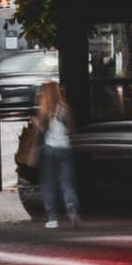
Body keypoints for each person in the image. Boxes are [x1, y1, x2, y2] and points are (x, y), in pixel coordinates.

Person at [33, 79, 79, 229]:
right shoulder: (65, 108)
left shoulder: (45, 110)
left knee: (49, 184)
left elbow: (42, 130)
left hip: (50, 148)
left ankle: (52, 218)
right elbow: (72, 130)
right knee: (66, 182)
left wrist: (36, 123)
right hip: (65, 148)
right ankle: (72, 211)